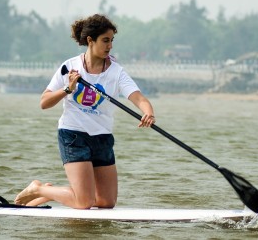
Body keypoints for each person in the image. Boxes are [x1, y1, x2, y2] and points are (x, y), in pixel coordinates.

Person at [14, 14, 156, 209]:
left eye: (112, 40)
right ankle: (38, 189)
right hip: (73, 135)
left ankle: (53, 193)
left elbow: (139, 98)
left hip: (102, 138)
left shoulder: (116, 72)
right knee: (84, 202)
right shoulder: (69, 67)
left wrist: (148, 112)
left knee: (107, 202)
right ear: (90, 40)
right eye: (105, 40)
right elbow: (44, 102)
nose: (110, 46)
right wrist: (67, 89)